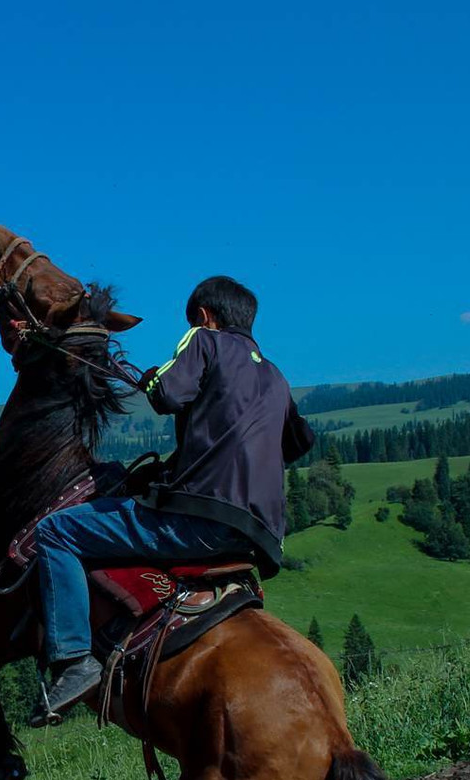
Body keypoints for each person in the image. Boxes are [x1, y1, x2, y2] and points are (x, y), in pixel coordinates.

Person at [31, 275, 314, 719]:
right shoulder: (275, 375)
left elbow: (167, 392)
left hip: (198, 519)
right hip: (260, 538)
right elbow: (299, 441)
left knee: (56, 532)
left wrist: (148, 379)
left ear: (205, 316)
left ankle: (73, 661)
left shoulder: (205, 340)